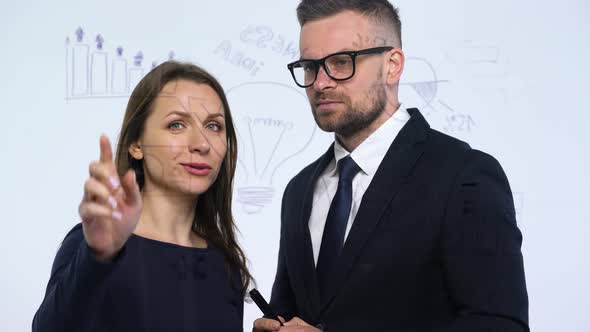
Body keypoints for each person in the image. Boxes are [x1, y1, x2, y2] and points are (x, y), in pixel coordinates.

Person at [254, 1, 529, 331]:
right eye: (310, 67)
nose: (320, 83)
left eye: (341, 62)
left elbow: (499, 325)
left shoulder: (463, 175)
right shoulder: (298, 190)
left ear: (392, 65)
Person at [33, 61, 251, 332]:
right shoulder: (94, 244)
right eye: (177, 125)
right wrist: (96, 258)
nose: (201, 144)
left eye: (214, 126)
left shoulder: (225, 263)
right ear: (137, 144)